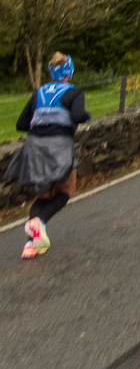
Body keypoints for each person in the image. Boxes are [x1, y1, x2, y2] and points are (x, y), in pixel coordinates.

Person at [6, 53, 90, 259]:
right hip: (58, 145)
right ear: (69, 72)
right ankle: (38, 222)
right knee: (67, 190)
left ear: (52, 73)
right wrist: (85, 116)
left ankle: (30, 245)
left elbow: (21, 124)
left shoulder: (39, 92)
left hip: (34, 145)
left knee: (43, 194)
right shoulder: (74, 92)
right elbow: (79, 116)